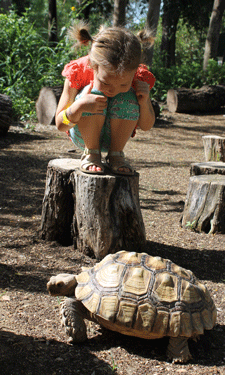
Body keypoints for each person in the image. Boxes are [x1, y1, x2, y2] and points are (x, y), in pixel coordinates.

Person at [55, 23, 156, 175]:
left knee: (128, 96)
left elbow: (147, 125)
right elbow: (60, 125)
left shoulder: (138, 78)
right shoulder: (78, 72)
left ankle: (116, 155)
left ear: (135, 71)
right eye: (105, 82)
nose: (113, 90)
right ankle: (92, 153)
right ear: (92, 65)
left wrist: (143, 102)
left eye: (123, 84)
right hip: (83, 135)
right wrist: (79, 106)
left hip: (116, 137)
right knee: (92, 94)